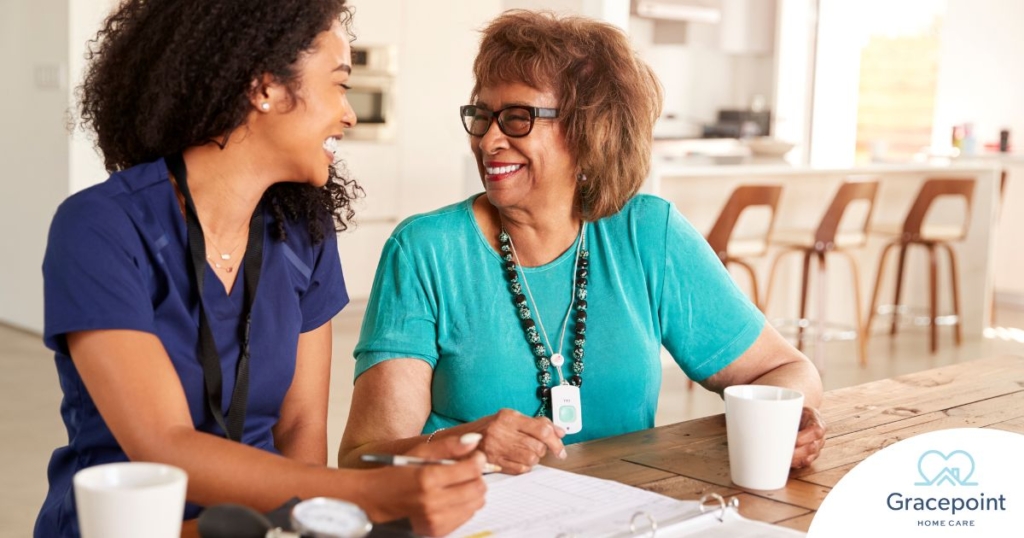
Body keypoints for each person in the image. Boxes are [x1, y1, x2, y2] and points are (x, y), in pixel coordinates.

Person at [36, 1, 485, 536]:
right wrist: (369, 495)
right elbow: (164, 445)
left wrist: (318, 522)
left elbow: (300, 428)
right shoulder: (99, 227)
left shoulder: (304, 232)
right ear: (265, 86)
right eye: (340, 84)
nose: (349, 114)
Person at [339, 10, 826, 475]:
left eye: (517, 118)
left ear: (589, 129)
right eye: (482, 116)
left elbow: (785, 369)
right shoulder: (426, 251)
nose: (488, 141)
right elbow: (365, 456)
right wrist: (461, 445)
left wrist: (788, 422)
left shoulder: (647, 235)